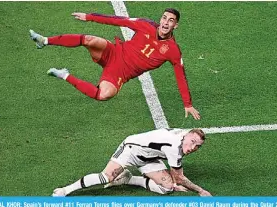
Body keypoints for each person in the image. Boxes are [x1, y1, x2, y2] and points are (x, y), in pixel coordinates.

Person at [29, 8, 201, 120]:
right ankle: (44, 41)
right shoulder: (145, 25)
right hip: (114, 52)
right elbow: (119, 20)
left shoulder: (173, 50)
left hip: (120, 73)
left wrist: (187, 103)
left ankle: (64, 74)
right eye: (164, 18)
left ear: (175, 25)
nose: (165, 22)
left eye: (170, 20)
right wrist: (90, 17)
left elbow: (181, 76)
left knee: (104, 95)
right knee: (89, 40)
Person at [52, 128, 212, 196]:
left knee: (168, 188)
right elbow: (179, 177)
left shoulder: (184, 135)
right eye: (191, 142)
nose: (192, 147)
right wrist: (201, 191)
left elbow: (175, 179)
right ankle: (65, 190)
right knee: (106, 177)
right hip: (131, 149)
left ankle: (129, 179)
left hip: (149, 156)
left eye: (197, 146)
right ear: (186, 136)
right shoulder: (174, 147)